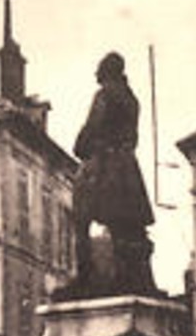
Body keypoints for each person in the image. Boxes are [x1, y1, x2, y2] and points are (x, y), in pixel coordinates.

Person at [63, 51, 158, 298]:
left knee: (82, 219)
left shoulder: (105, 95)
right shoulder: (132, 99)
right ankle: (128, 276)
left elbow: (91, 129)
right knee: (125, 225)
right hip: (127, 167)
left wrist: (81, 145)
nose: (96, 75)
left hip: (103, 166)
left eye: (99, 70)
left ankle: (84, 276)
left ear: (106, 72)